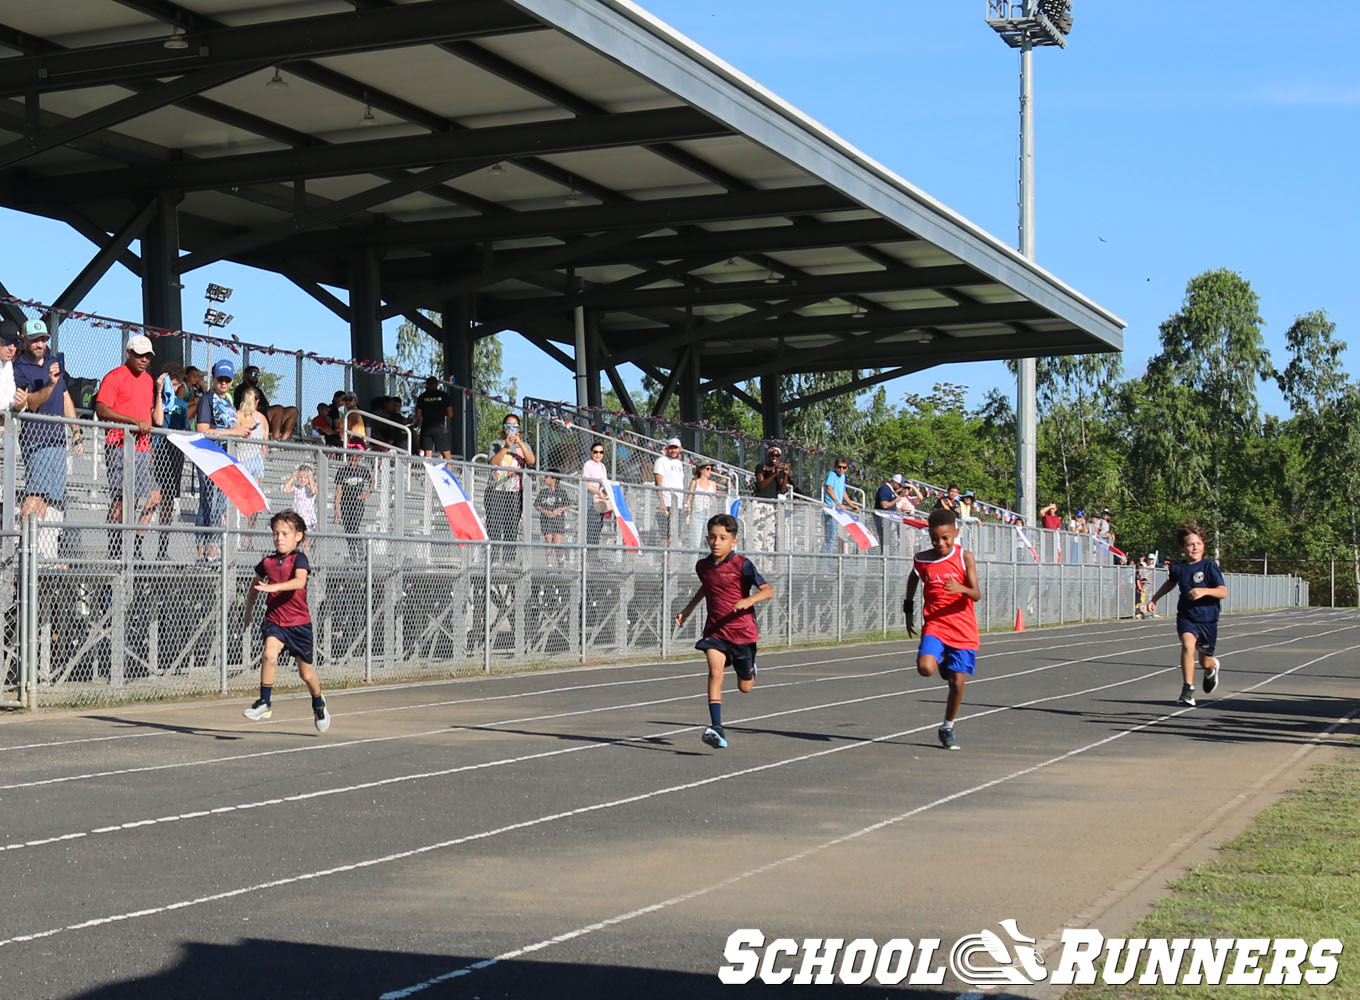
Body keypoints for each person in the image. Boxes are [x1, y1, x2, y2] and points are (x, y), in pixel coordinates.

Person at [674, 512, 774, 750]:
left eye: (722, 538)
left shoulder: (742, 565)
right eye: (712, 537)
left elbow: (768, 590)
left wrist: (749, 601)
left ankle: (750, 669)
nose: (716, 542)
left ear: (733, 541)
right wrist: (687, 609)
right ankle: (716, 727)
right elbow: (706, 588)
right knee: (714, 671)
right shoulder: (703, 566)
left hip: (743, 633)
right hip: (716, 630)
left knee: (745, 687)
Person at [241, 511, 331, 732]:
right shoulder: (268, 562)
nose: (279, 537)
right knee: (269, 654)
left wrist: (274, 587)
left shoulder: (299, 559)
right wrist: (248, 610)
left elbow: (300, 582)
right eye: (275, 533)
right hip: (275, 621)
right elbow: (255, 586)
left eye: (284, 533)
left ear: (298, 536)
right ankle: (265, 702)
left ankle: (318, 702)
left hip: (299, 625)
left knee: (306, 674)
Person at [903, 506, 982, 751]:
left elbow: (977, 594)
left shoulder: (964, 557)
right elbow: (914, 578)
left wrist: (962, 590)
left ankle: (947, 727)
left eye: (945, 538)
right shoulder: (922, 559)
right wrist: (908, 608)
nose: (940, 543)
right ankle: (942, 660)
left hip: (963, 628)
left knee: (957, 683)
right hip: (936, 624)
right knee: (926, 668)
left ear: (956, 533)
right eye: (935, 538)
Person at [94, 334, 165, 559]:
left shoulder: (148, 380)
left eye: (147, 356)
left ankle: (134, 544)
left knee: (152, 496)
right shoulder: (114, 377)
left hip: (143, 447)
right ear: (128, 354)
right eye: (140, 355)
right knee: (122, 499)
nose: (144, 360)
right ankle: (115, 548)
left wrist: (150, 448)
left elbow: (149, 415)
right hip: (119, 444)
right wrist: (133, 422)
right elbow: (102, 409)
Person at [1145, 521, 1228, 707]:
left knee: (1204, 660)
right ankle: (1188, 689)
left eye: (1198, 543)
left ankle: (1211, 668)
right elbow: (1171, 583)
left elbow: (1223, 591)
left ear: (1204, 545)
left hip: (1207, 619)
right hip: (1186, 616)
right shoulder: (1178, 568)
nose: (1195, 548)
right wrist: (1154, 599)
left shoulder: (1209, 567)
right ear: (1182, 547)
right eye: (1190, 544)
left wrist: (1204, 591)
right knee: (1188, 645)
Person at [14, 319, 82, 529]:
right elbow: (31, 404)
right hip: (36, 440)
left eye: (43, 339)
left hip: (57, 440)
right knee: (35, 494)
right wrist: (50, 383)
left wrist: (76, 430)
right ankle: (23, 547)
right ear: (24, 341)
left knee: (46, 497)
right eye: (35, 340)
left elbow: (65, 397)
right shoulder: (19, 368)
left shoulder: (53, 362)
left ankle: (32, 551)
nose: (40, 344)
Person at [195, 359, 252, 559]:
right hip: (209, 455)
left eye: (227, 380)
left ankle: (210, 547)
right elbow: (202, 429)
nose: (224, 383)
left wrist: (239, 432)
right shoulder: (207, 399)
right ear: (214, 378)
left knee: (218, 504)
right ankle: (207, 548)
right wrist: (233, 432)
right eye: (220, 379)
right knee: (211, 502)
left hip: (224, 456)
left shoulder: (227, 400)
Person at [150, 363, 188, 559]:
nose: (171, 388)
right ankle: (137, 547)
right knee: (152, 499)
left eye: (174, 384)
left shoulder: (182, 405)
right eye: (168, 383)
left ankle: (162, 551)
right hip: (157, 452)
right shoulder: (155, 399)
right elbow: (155, 421)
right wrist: (159, 393)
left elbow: (185, 430)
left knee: (167, 502)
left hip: (174, 455)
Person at [486, 412, 534, 561]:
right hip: (496, 490)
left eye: (515, 426)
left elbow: (531, 461)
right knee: (494, 527)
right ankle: (492, 560)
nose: (511, 429)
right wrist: (506, 446)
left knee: (511, 528)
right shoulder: (496, 444)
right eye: (508, 426)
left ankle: (508, 561)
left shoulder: (524, 446)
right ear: (504, 428)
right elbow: (493, 462)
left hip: (515, 492)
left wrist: (519, 444)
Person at [235, 386, 271, 542]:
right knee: (253, 498)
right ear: (257, 401)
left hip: (242, 458)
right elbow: (265, 442)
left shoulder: (238, 415)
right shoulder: (261, 418)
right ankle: (247, 537)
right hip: (255, 459)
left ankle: (237, 533)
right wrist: (263, 456)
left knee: (237, 498)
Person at [750, 446, 794, 553]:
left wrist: (786, 475)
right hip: (759, 503)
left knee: (769, 536)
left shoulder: (779, 471)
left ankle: (768, 566)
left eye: (777, 456)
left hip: (771, 505)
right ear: (768, 456)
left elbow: (782, 490)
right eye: (772, 455)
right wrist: (774, 474)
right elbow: (761, 485)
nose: (775, 458)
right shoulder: (761, 467)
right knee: (757, 535)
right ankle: (757, 563)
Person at [332, 447, 372, 562]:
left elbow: (371, 480)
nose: (353, 462)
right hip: (345, 503)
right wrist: (336, 510)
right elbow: (339, 491)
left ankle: (360, 551)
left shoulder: (362, 470)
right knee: (348, 529)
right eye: (351, 460)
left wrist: (369, 493)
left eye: (355, 460)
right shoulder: (342, 471)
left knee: (354, 527)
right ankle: (353, 553)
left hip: (358, 503)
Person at [653, 437, 686, 547]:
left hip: (678, 505)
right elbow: (658, 483)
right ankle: (664, 561)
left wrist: (684, 503)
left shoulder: (679, 463)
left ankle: (672, 561)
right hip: (666, 503)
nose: (673, 450)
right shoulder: (661, 461)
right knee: (665, 536)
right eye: (671, 448)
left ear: (680, 449)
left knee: (675, 535)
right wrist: (661, 503)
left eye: (675, 448)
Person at [534, 470, 572, 563]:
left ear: (553, 479)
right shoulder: (543, 492)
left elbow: (567, 506)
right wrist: (545, 511)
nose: (545, 479)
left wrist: (558, 510)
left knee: (557, 541)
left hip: (558, 520)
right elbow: (537, 505)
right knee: (548, 540)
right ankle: (549, 565)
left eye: (547, 477)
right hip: (546, 520)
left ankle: (561, 559)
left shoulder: (561, 492)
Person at [822, 456, 858, 554]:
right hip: (831, 510)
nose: (841, 469)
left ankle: (825, 562)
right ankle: (825, 565)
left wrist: (851, 505)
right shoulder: (832, 475)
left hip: (838, 511)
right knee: (830, 539)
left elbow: (843, 493)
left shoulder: (843, 477)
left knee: (834, 539)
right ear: (835, 466)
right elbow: (829, 489)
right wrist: (838, 503)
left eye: (844, 467)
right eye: (839, 467)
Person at [414, 377, 454, 458]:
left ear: (426, 385)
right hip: (439, 428)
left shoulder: (422, 397)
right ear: (437, 384)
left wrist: (419, 421)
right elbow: (450, 414)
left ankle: (428, 470)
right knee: (447, 456)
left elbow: (418, 414)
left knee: (428, 455)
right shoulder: (443, 395)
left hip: (426, 428)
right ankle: (449, 470)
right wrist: (442, 413)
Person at [685, 460, 720, 549]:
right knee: (695, 544)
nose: (710, 471)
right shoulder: (695, 482)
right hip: (697, 513)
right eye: (707, 468)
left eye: (711, 469)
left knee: (711, 542)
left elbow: (716, 499)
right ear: (701, 469)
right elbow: (689, 498)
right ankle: (693, 562)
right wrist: (687, 507)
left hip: (709, 514)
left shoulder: (713, 484)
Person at [581, 442, 610, 546]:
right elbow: (586, 483)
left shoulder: (602, 466)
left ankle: (594, 548)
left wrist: (603, 492)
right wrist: (597, 491)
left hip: (600, 496)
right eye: (596, 452)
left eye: (601, 452)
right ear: (591, 453)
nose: (598, 454)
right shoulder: (588, 464)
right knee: (591, 524)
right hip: (591, 496)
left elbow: (604, 482)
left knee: (598, 524)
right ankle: (589, 548)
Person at [0, 321, 29, 411]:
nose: (12, 348)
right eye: (8, 342)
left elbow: (10, 400)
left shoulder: (8, 365)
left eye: (16, 343)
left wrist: (21, 403)